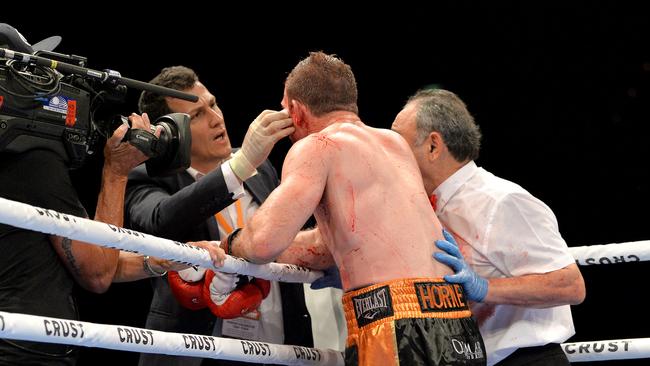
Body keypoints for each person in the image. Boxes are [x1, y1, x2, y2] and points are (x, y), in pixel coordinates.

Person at [224, 52, 486, 366]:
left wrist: (229, 243)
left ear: (294, 109)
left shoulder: (316, 146)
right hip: (455, 318)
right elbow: (326, 247)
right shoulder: (394, 144)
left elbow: (263, 242)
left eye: (284, 106)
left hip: (394, 321)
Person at [0, 111, 224, 365]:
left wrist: (170, 257)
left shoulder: (17, 161)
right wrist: (117, 171)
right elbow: (98, 271)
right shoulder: (32, 162)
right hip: (21, 350)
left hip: (26, 343)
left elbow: (87, 258)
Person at [125, 65, 314, 366]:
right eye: (197, 115)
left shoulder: (261, 168)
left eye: (212, 105)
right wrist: (240, 166)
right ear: (170, 130)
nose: (216, 119)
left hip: (278, 343)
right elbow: (160, 220)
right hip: (199, 350)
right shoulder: (146, 179)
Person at [390, 88, 586, 365]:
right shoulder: (427, 207)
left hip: (526, 359)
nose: (390, 154)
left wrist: (484, 288)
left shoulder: (501, 200)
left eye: (398, 143)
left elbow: (570, 285)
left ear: (433, 146)